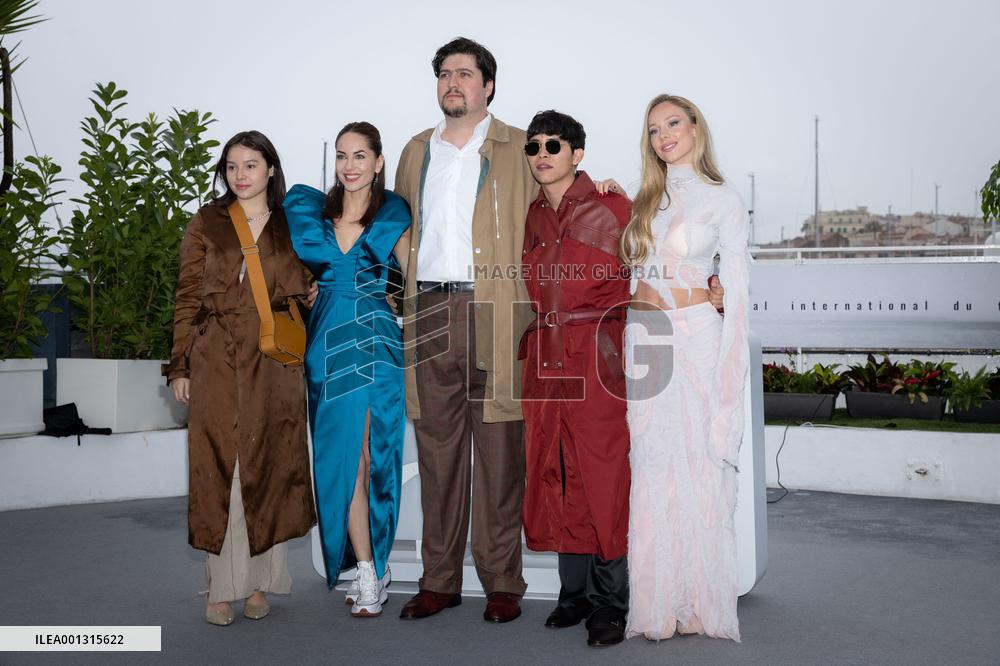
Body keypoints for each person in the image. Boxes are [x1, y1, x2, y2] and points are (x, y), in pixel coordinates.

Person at [393, 36, 538, 623]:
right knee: (437, 454)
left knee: (500, 454)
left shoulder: (521, 146)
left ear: (488, 85)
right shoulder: (415, 151)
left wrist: (601, 187)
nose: (453, 83)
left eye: (465, 74)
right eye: (444, 74)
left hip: (496, 309)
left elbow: (558, 199)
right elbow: (397, 222)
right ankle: (439, 581)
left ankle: (502, 581)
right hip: (428, 309)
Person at [165, 131, 317, 627]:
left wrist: (312, 289)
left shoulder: (293, 224)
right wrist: (180, 365)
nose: (240, 175)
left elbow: (309, 282)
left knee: (268, 466)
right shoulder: (207, 220)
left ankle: (259, 582)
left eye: (250, 165)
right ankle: (221, 586)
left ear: (271, 169)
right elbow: (187, 296)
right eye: (231, 166)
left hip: (273, 360)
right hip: (216, 356)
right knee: (222, 469)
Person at [619, 94, 751, 642]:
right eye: (654, 130)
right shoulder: (645, 199)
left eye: (673, 123)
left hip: (697, 334)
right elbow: (637, 272)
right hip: (645, 335)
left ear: (696, 126)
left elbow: (738, 285)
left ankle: (698, 602)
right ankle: (658, 605)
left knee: (699, 466)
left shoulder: (725, 199)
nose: (664, 136)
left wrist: (724, 312)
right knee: (652, 464)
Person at [284, 122, 411, 618]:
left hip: (375, 340)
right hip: (326, 346)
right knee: (342, 460)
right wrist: (304, 288)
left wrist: (405, 307)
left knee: (370, 455)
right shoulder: (312, 215)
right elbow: (288, 268)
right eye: (342, 155)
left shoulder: (393, 215)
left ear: (378, 162)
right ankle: (366, 565)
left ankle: (370, 569)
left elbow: (415, 280)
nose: (349, 165)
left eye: (360, 155)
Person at [519, 110, 632, 647]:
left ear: (577, 154)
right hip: (547, 354)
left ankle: (611, 603)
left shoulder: (615, 207)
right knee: (557, 466)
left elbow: (654, 268)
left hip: (597, 354)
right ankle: (575, 594)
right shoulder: (535, 215)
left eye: (554, 145)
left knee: (602, 470)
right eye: (534, 146)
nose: (542, 154)